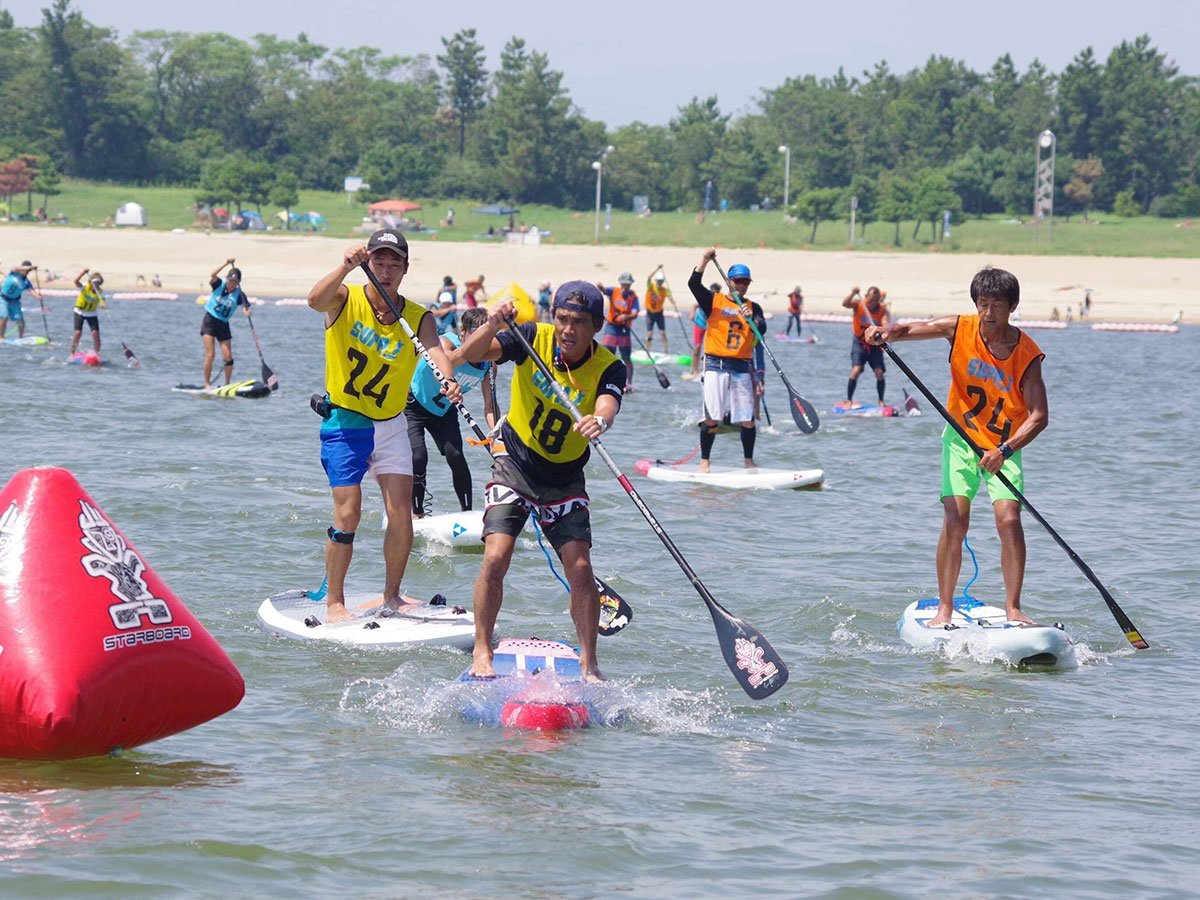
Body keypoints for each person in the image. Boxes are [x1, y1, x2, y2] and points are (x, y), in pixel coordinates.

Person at [457, 282, 626, 680]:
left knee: (581, 569)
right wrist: (493, 323)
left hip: (564, 477)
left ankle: (589, 662)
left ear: (597, 326)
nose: (568, 330)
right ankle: (482, 648)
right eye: (563, 319)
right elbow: (467, 356)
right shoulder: (531, 337)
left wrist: (601, 419)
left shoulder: (609, 365)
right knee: (496, 557)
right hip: (515, 464)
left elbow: (609, 401)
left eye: (580, 323)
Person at [864, 267, 1047, 626]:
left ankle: (1013, 607)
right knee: (955, 520)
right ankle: (944, 607)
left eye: (997, 305)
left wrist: (1005, 451)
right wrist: (884, 333)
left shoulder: (1027, 354)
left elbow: (1039, 416)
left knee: (1009, 521)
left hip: (1003, 447)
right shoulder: (960, 328)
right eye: (983, 304)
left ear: (1013, 306)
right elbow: (907, 330)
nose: (989, 313)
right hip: (961, 443)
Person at [306, 228, 462, 624]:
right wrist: (344, 267)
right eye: (379, 262)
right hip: (345, 421)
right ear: (367, 264)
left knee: (401, 514)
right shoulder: (345, 298)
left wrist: (448, 378)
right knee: (349, 514)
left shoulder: (417, 317)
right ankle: (335, 602)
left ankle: (392, 595)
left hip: (391, 424)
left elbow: (435, 349)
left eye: (395, 264)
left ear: (406, 269)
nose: (386, 271)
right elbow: (314, 301)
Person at [408, 307, 496, 517]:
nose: (482, 344)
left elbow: (490, 405)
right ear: (463, 331)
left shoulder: (488, 364)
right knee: (418, 456)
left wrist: (495, 434)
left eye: (486, 338)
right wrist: (471, 349)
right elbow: (448, 360)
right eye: (477, 336)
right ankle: (417, 513)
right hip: (412, 405)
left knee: (456, 455)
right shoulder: (445, 343)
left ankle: (467, 513)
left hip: (444, 412)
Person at [688, 250, 765, 472]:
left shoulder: (752, 306)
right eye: (738, 281)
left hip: (741, 367)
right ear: (729, 281)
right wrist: (704, 260)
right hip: (715, 365)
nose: (741, 286)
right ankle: (705, 462)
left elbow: (763, 328)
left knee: (748, 419)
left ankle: (748, 461)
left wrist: (752, 320)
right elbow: (693, 284)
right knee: (712, 418)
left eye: (745, 282)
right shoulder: (713, 301)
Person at [201, 258, 252, 390]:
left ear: (238, 283)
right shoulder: (219, 284)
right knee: (210, 354)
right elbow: (212, 274)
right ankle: (207, 384)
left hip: (223, 324)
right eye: (230, 281)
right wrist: (226, 263)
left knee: (228, 356)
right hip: (209, 321)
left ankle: (227, 384)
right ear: (227, 279)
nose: (232, 284)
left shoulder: (239, 294)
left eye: (235, 282)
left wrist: (246, 311)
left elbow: (244, 306)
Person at [842, 285, 890, 404]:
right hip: (859, 343)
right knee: (856, 370)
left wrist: (884, 330)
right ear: (866, 297)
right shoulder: (858, 305)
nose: (873, 303)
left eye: (876, 300)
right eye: (871, 299)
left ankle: (881, 401)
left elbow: (886, 324)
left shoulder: (882, 310)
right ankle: (849, 400)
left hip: (875, 345)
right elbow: (845, 303)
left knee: (879, 372)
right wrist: (853, 293)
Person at [598, 271, 639, 392]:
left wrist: (626, 317)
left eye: (628, 284)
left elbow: (635, 313)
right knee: (608, 353)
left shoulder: (633, 297)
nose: (626, 287)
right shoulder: (614, 291)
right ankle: (604, 378)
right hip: (611, 326)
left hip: (624, 328)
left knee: (626, 356)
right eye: (624, 284)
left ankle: (629, 382)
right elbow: (604, 290)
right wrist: (600, 286)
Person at [69, 267, 106, 354]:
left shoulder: (100, 292)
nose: (96, 285)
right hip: (79, 312)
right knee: (78, 333)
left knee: (95, 334)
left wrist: (103, 305)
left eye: (98, 283)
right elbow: (76, 282)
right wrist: (82, 273)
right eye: (94, 282)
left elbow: (103, 302)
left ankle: (97, 353)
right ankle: (72, 353)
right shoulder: (85, 287)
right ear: (91, 282)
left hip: (91, 314)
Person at [1, 262, 41, 341]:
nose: (26, 272)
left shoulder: (26, 282)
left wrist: (38, 296)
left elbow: (31, 290)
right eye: (26, 269)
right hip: (3, 298)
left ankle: (21, 337)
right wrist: (31, 267)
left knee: (20, 319)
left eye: (28, 271)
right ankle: (1, 336)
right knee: (4, 318)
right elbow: (15, 267)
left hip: (15, 301)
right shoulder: (14, 272)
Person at [644, 270, 671, 354]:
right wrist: (656, 269)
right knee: (649, 334)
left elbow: (669, 296)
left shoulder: (664, 290)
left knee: (662, 332)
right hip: (650, 313)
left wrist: (672, 300)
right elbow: (648, 278)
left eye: (661, 281)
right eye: (658, 281)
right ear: (656, 281)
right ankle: (647, 352)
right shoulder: (651, 287)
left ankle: (666, 351)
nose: (660, 282)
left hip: (659, 313)